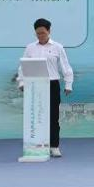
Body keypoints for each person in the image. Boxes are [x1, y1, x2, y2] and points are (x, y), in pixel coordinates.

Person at [19, 18, 73, 157]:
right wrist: (22, 83)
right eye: (38, 33)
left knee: (53, 116)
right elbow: (23, 66)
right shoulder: (30, 47)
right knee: (36, 116)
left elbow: (65, 66)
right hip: (34, 85)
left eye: (43, 33)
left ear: (49, 31)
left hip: (52, 84)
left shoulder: (57, 47)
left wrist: (68, 84)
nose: (40, 36)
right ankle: (37, 145)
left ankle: (54, 146)